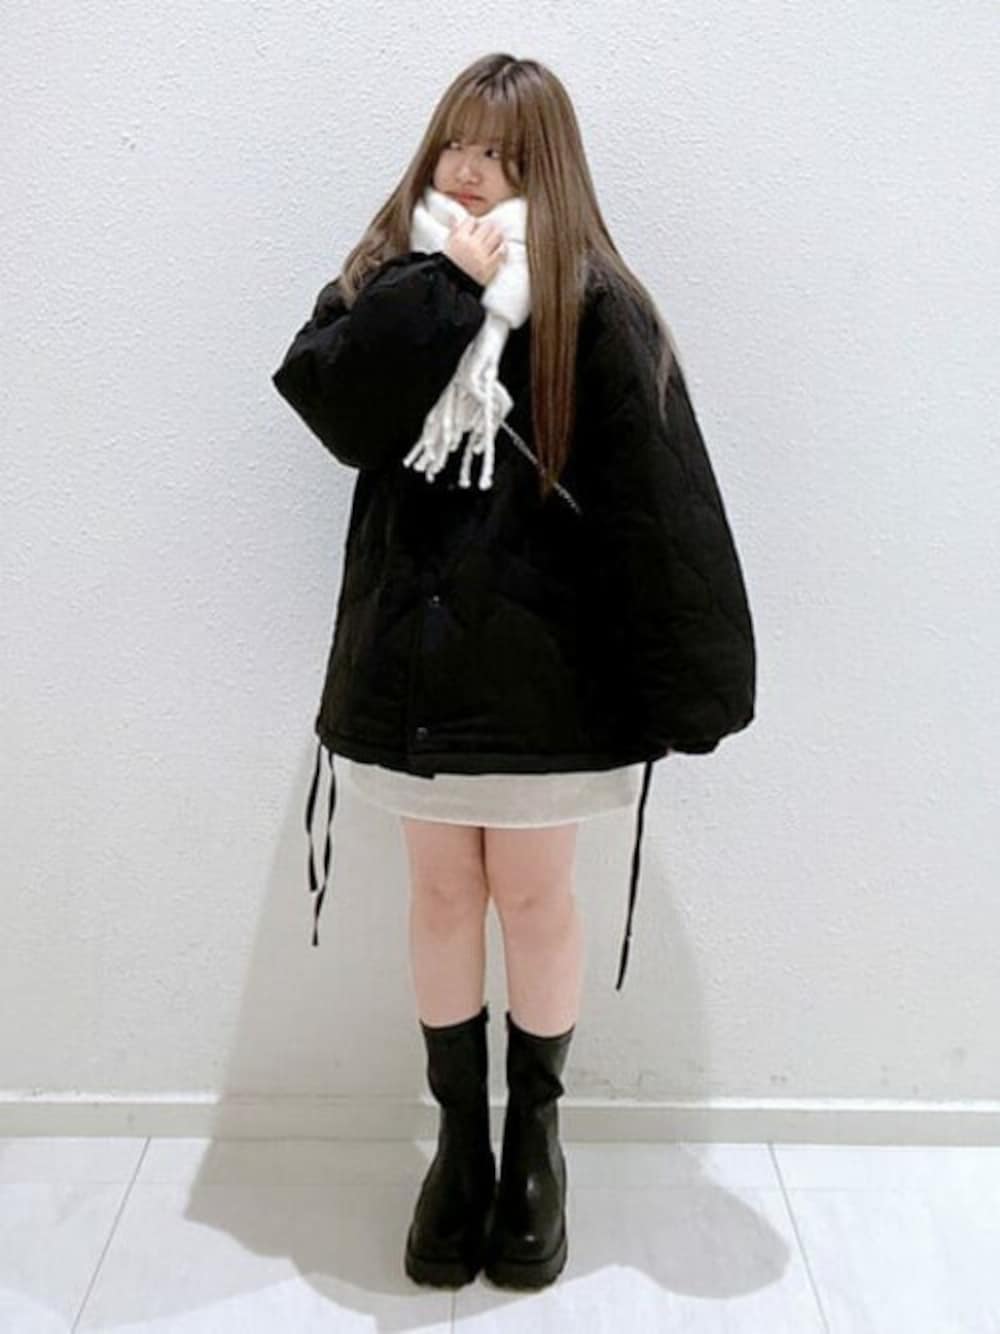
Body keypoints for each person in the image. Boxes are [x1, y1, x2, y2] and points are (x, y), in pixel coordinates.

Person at [271, 53, 756, 1292]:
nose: (472, 169)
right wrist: (445, 286)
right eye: (458, 143)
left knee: (535, 899)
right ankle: (461, 1146)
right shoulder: (391, 276)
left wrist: (694, 681)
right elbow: (334, 409)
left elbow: (661, 503)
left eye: (503, 152)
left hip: (552, 681)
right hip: (421, 670)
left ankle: (535, 1141)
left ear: (550, 168)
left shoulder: (594, 301)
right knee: (441, 894)